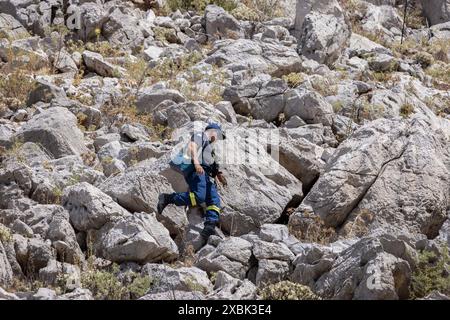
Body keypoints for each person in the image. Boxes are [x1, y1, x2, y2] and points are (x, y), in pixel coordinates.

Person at [157, 123, 227, 242]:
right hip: (198, 171)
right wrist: (196, 163)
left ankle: (209, 226)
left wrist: (219, 175)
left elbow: (214, 165)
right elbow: (192, 147)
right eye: (218, 135)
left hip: (208, 177)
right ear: (213, 131)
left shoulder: (211, 149)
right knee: (198, 197)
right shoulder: (201, 136)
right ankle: (168, 198)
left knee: (214, 202)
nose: (218, 139)